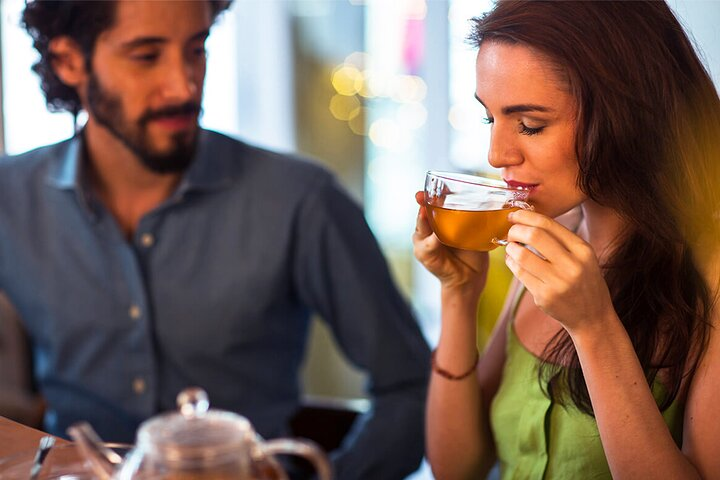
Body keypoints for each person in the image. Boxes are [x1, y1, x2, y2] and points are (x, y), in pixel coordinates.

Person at [0, 1, 430, 478]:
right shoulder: (9, 201)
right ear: (69, 62)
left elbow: (411, 388)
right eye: (146, 56)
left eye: (196, 49)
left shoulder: (301, 201)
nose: (184, 85)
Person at [413, 1, 720, 478]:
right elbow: (457, 468)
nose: (496, 155)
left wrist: (595, 328)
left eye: (530, 125)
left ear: (626, 114)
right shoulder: (545, 245)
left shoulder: (711, 272)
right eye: (489, 119)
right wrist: (458, 295)